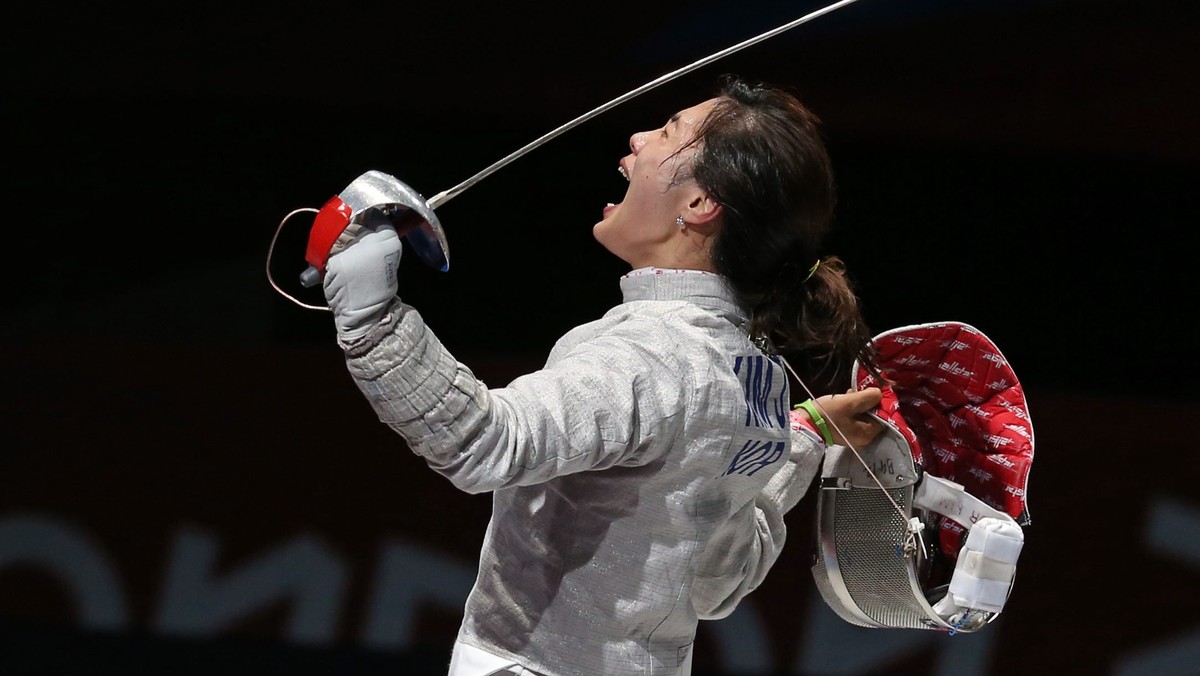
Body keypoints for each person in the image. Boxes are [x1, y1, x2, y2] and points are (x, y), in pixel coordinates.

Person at [318, 74, 885, 675]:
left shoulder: (650, 354)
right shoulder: (759, 382)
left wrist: (371, 316)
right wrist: (804, 438)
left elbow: (482, 441)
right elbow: (720, 583)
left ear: (699, 204)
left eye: (669, 132)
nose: (636, 140)